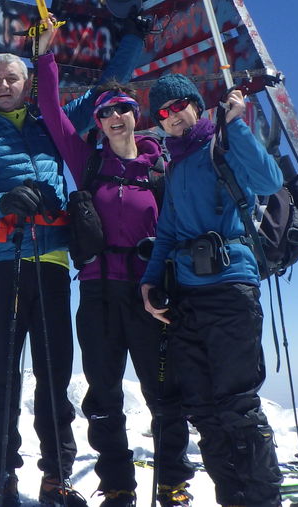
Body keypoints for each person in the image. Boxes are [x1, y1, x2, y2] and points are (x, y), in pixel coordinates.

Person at [0, 20, 141, 507]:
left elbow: (104, 92)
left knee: (56, 375)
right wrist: (2, 202)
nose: (4, 86)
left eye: (12, 78)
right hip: (2, 264)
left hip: (52, 261)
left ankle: (56, 476)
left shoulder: (50, 122)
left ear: (27, 82)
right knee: (5, 376)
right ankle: (2, 476)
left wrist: (133, 37)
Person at [35, 45, 193, 507]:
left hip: (150, 293)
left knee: (164, 390)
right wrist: (45, 60)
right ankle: (118, 484)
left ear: (134, 115)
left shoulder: (161, 166)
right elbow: (51, 110)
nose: (117, 116)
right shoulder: (88, 163)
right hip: (98, 291)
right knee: (103, 393)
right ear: (99, 123)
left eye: (124, 108)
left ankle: (171, 482)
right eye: (107, 112)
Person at [138, 73, 284, 507]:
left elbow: (270, 182)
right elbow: (166, 231)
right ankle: (232, 499)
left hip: (230, 289)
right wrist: (149, 281)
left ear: (197, 106)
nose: (173, 116)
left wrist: (236, 124)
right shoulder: (177, 164)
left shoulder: (220, 146)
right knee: (202, 409)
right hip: (187, 297)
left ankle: (262, 501)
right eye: (162, 113)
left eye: (180, 105)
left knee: (237, 406)